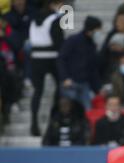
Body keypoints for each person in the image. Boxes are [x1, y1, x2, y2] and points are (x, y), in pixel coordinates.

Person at [28, 0, 64, 136]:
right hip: (52, 57)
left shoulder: (33, 20)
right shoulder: (54, 19)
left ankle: (34, 123)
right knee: (60, 87)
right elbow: (59, 42)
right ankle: (54, 118)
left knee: (38, 91)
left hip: (36, 58)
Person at [57, 16, 102, 110]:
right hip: (71, 83)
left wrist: (97, 88)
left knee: (87, 110)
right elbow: (62, 59)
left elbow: (93, 68)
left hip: (84, 83)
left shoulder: (92, 45)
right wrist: (65, 77)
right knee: (71, 110)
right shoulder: (73, 40)